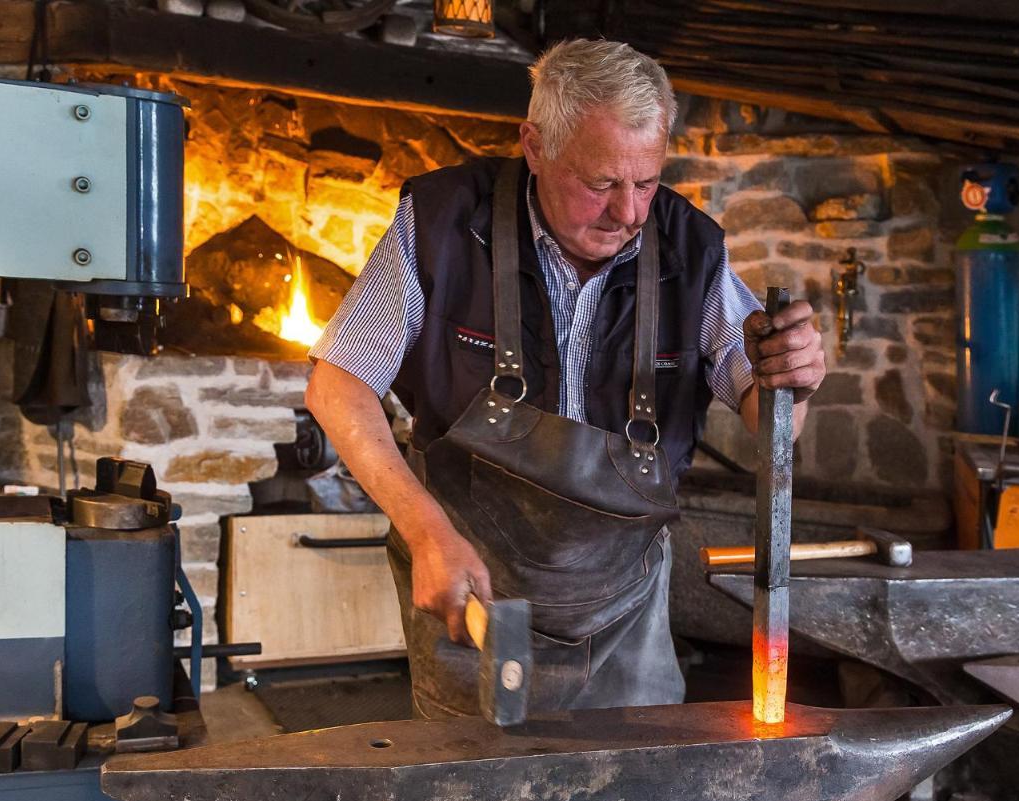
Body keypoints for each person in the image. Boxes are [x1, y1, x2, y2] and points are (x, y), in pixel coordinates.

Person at [306, 39, 826, 718]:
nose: (629, 213)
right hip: (476, 601)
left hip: (625, 619)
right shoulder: (440, 224)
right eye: (602, 184)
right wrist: (425, 529)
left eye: (646, 182)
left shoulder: (690, 249)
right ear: (535, 145)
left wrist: (794, 383)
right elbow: (336, 384)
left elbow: (770, 425)